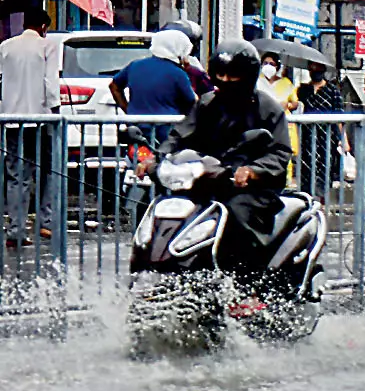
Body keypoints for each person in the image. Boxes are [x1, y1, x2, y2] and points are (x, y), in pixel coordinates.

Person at [145, 39, 293, 272]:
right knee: (175, 209)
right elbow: (179, 135)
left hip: (251, 188)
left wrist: (253, 171)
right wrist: (157, 158)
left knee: (237, 213)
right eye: (220, 74)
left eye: (232, 75)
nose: (225, 80)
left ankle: (248, 284)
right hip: (209, 179)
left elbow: (280, 151)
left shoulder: (267, 109)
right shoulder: (207, 104)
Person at [0, 6, 60, 246]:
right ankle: (45, 224)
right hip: (41, 119)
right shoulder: (48, 46)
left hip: (11, 120)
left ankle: (16, 229)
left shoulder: (5, 46)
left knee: (16, 175)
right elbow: (51, 82)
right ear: (43, 27)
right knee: (47, 170)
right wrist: (56, 112)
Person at [110, 29, 198, 143]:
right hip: (166, 132)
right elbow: (191, 101)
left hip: (137, 129)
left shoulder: (135, 66)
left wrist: (129, 110)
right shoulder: (178, 73)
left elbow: (114, 86)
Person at [294, 60, 349, 201]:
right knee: (306, 172)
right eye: (312, 68)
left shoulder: (332, 91)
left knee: (325, 172)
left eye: (318, 68)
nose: (315, 71)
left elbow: (339, 118)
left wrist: (344, 140)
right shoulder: (303, 90)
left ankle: (322, 203)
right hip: (306, 139)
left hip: (327, 139)